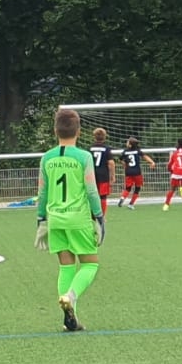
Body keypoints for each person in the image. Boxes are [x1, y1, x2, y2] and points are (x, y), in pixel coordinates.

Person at [36, 107, 105, 332]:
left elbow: (42, 192)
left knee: (66, 267)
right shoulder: (84, 157)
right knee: (90, 264)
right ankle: (71, 297)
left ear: (55, 131)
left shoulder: (47, 158)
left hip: (55, 219)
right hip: (78, 219)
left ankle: (69, 319)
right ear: (79, 131)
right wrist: (99, 217)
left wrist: (41, 220)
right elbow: (91, 190)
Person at [88, 128, 115, 220]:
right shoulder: (106, 149)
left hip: (91, 175)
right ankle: (101, 217)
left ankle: (92, 214)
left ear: (94, 137)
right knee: (103, 197)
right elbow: (111, 163)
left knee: (92, 195)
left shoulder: (90, 148)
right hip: (103, 175)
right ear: (104, 137)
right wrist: (112, 176)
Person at [117, 137, 145, 209]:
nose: (126, 143)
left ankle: (122, 198)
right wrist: (151, 162)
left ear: (130, 144)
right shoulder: (137, 150)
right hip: (137, 172)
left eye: (127, 142)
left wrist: (124, 164)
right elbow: (144, 156)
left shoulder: (125, 151)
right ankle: (131, 204)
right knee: (137, 188)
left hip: (128, 172)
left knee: (128, 188)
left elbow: (120, 159)